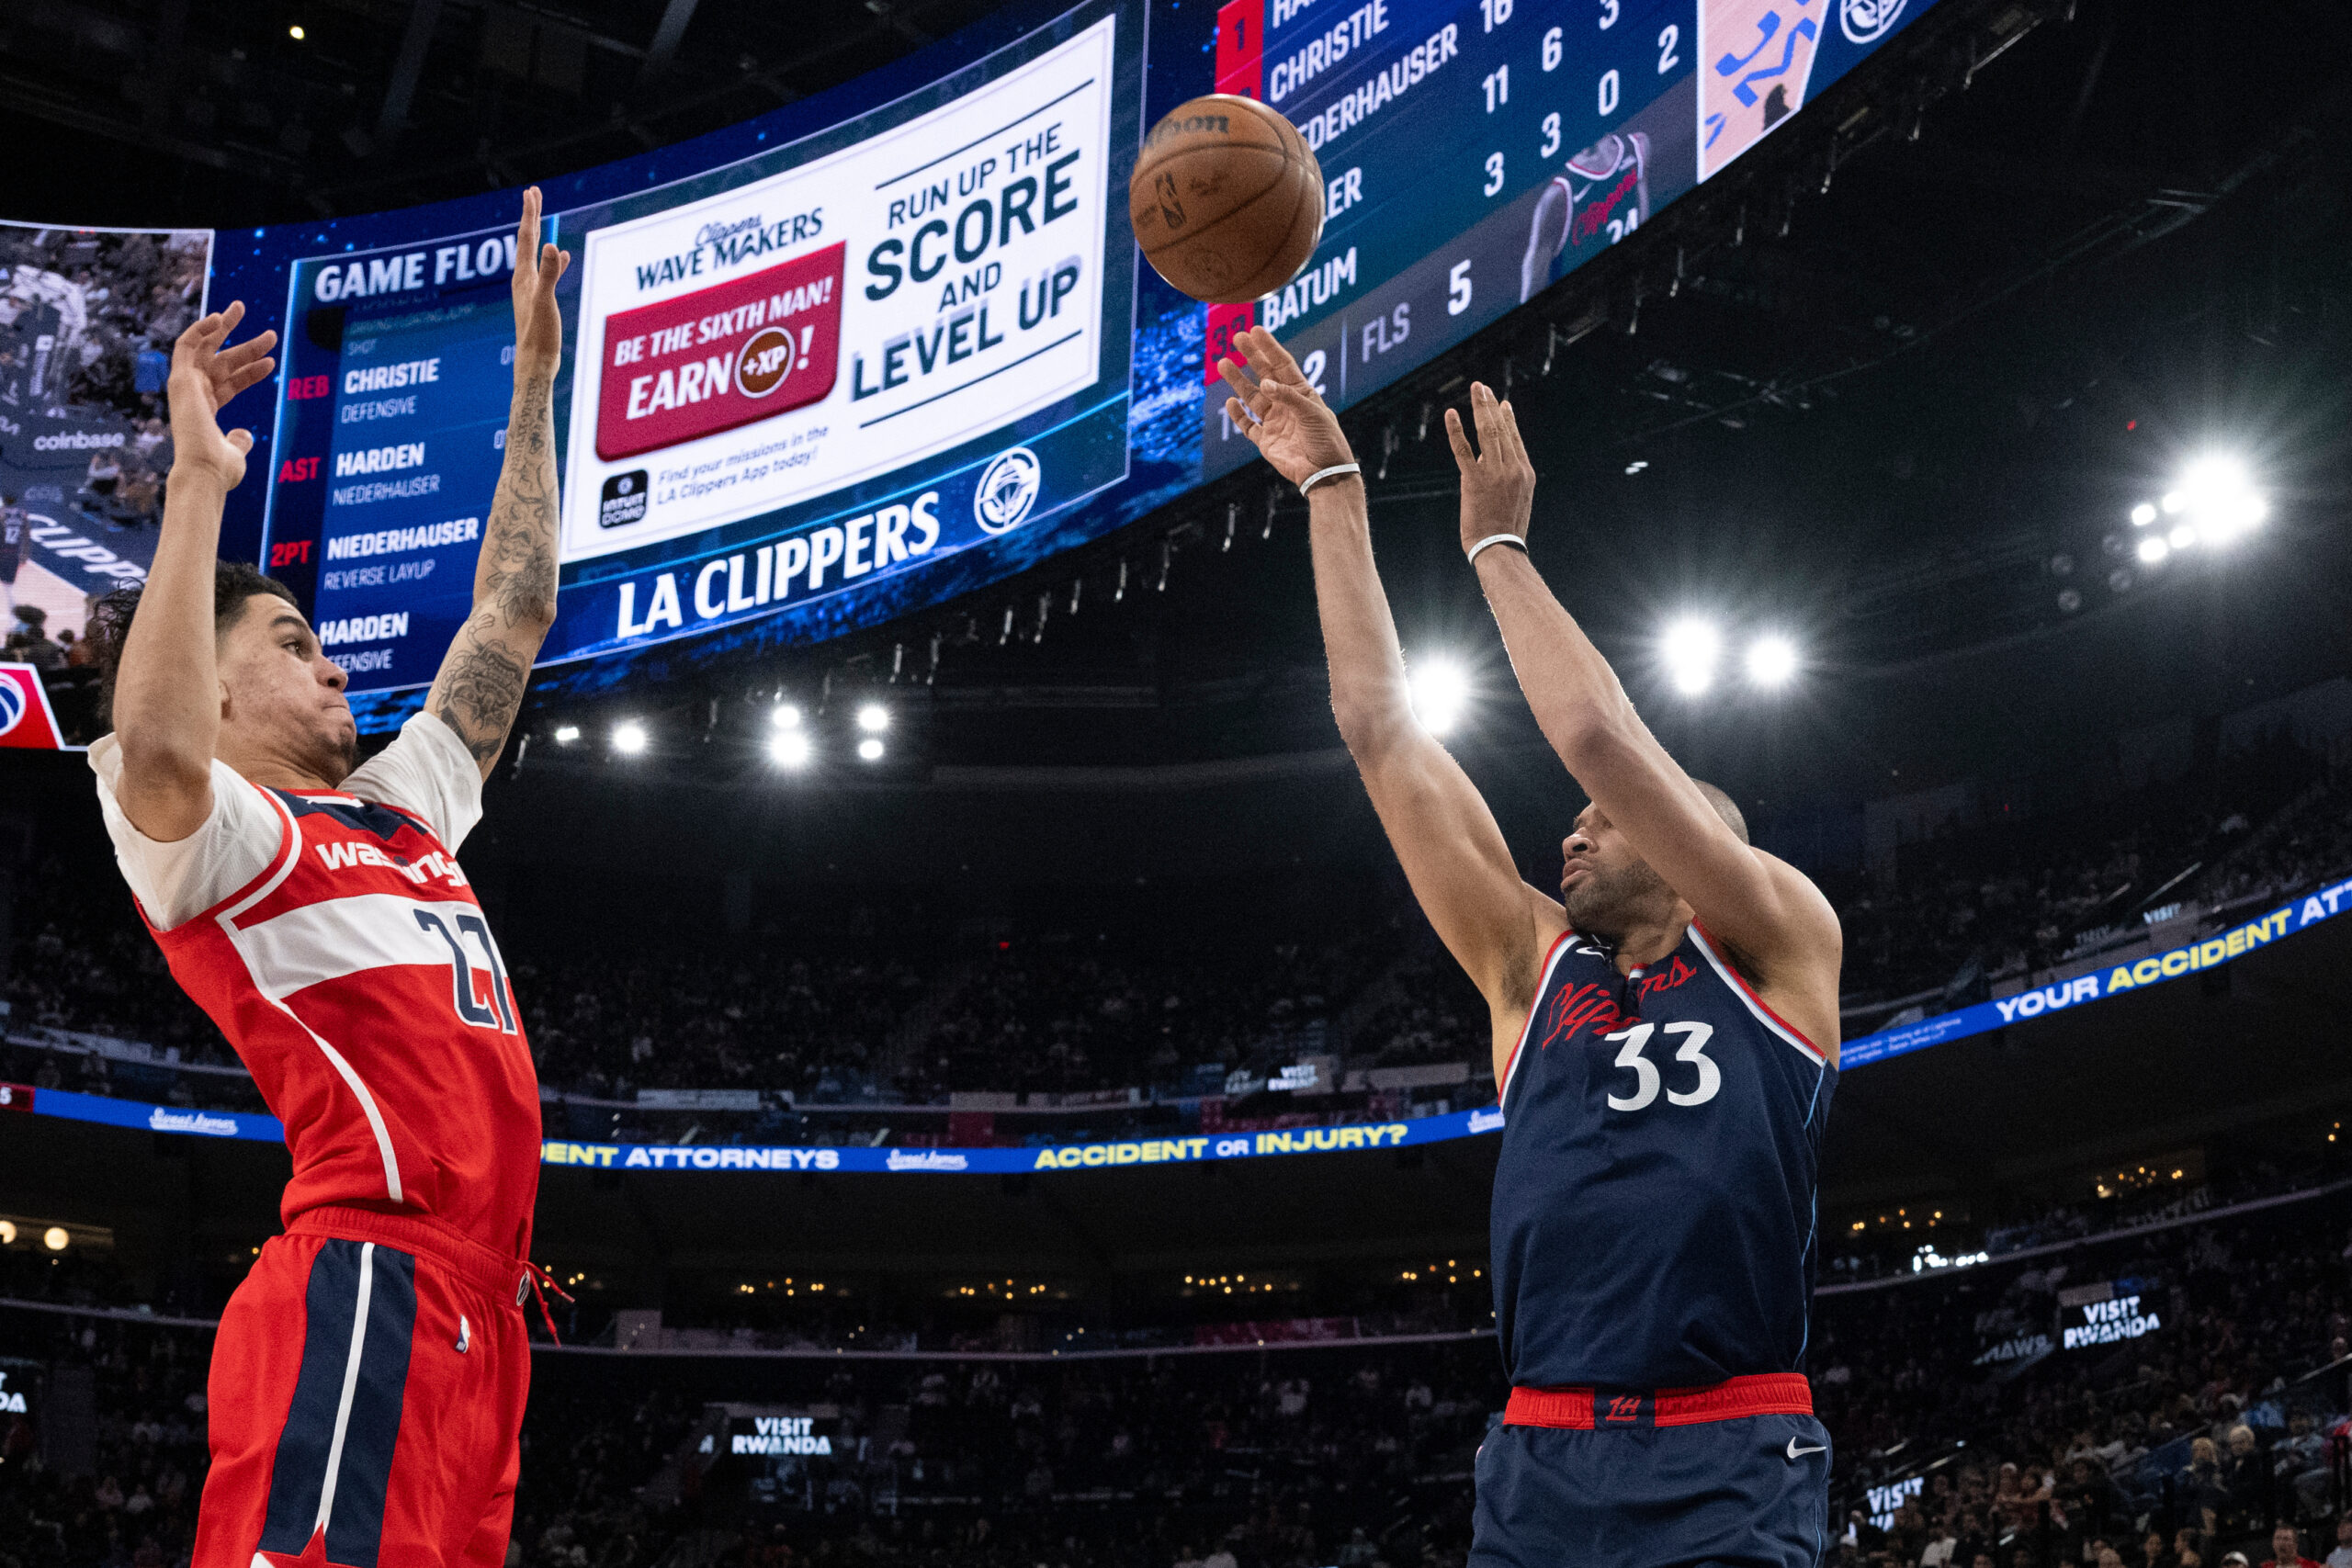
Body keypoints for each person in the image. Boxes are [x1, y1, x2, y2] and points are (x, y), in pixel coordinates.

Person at [1218, 322, 1843, 1566]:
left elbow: (1598, 738)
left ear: (1695, 836)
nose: (1575, 830)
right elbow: (1380, 733)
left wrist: (1496, 545)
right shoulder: (1532, 968)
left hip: (1727, 1447)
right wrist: (1333, 490)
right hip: (1541, 1454)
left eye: (1604, 821)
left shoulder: (1779, 944)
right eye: (1576, 821)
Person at [84, 190, 569, 1568]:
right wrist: (197, 482)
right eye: (293, 644)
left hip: (486, 1314)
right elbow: (159, 743)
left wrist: (534, 383)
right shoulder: (224, 838)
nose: (335, 662)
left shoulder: (404, 810)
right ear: (218, 684)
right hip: (369, 1276)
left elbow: (514, 614)